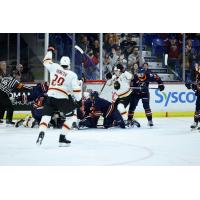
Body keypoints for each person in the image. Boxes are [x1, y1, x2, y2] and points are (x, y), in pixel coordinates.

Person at [36, 46, 82, 146]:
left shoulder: (55, 67)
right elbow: (76, 89)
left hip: (50, 97)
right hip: (62, 99)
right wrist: (79, 100)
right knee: (71, 117)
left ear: (61, 63)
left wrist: (50, 51)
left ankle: (41, 133)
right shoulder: (72, 75)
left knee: (46, 117)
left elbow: (46, 61)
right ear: (69, 64)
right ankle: (62, 138)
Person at [106, 63, 140, 127]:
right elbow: (109, 84)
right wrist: (108, 78)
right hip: (119, 96)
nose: (115, 72)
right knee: (114, 109)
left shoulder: (124, 74)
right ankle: (118, 120)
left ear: (119, 70)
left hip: (127, 95)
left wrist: (124, 71)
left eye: (116, 71)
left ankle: (126, 121)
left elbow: (131, 77)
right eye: (114, 71)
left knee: (120, 106)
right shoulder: (114, 77)